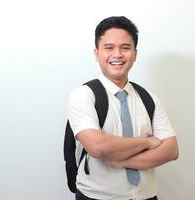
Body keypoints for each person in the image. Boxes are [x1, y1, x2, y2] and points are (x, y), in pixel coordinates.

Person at [68, 16, 179, 200]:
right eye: (109, 47)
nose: (117, 54)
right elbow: (98, 147)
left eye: (125, 48)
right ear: (97, 53)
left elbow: (171, 150)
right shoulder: (83, 95)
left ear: (135, 54)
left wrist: (121, 161)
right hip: (96, 197)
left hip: (146, 196)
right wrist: (147, 142)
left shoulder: (148, 98)